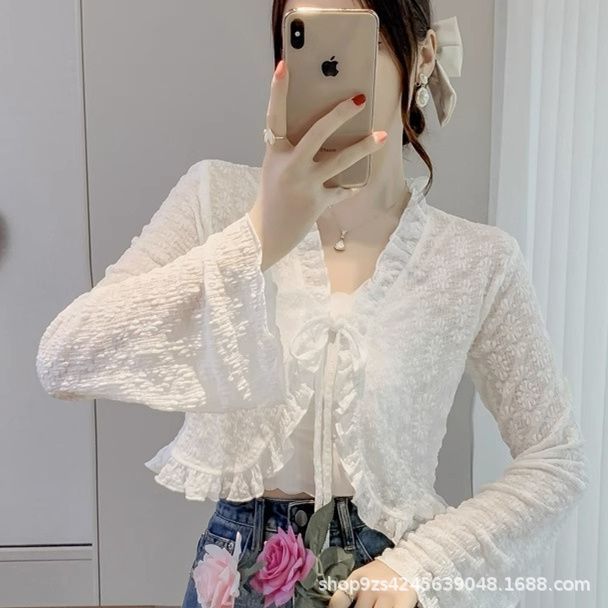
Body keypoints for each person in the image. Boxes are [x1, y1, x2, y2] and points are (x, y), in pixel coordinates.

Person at [35, 1, 589, 607]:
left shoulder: (477, 260)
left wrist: (422, 566)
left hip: (386, 588)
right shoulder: (214, 199)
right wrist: (259, 236)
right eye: (303, 37)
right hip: (234, 585)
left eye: (354, 39)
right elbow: (64, 356)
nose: (328, 68)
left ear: (423, 57)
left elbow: (556, 457)